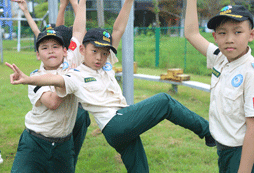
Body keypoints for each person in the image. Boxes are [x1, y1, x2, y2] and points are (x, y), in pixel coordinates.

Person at [6, 1, 215, 172]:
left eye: (104, 52)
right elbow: (55, 82)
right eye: (94, 52)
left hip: (122, 123)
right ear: (82, 51)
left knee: (140, 168)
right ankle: (209, 132)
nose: (99, 57)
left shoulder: (103, 63)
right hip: (114, 123)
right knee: (164, 101)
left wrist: (128, 2)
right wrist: (27, 79)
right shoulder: (76, 73)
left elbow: (117, 28)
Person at [8, 0, 88, 172]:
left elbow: (80, 30)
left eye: (55, 46)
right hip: (35, 144)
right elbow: (53, 103)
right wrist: (70, 78)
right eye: (44, 48)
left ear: (65, 50)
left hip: (64, 147)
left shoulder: (72, 59)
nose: (51, 50)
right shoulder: (35, 78)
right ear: (38, 54)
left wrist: (83, 2)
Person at [185, 1, 254, 172]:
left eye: (238, 32)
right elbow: (191, 33)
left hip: (241, 153)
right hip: (223, 151)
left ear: (251, 35)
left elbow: (253, 128)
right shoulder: (220, 58)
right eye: (222, 33)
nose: (229, 39)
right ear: (215, 37)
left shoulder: (250, 72)